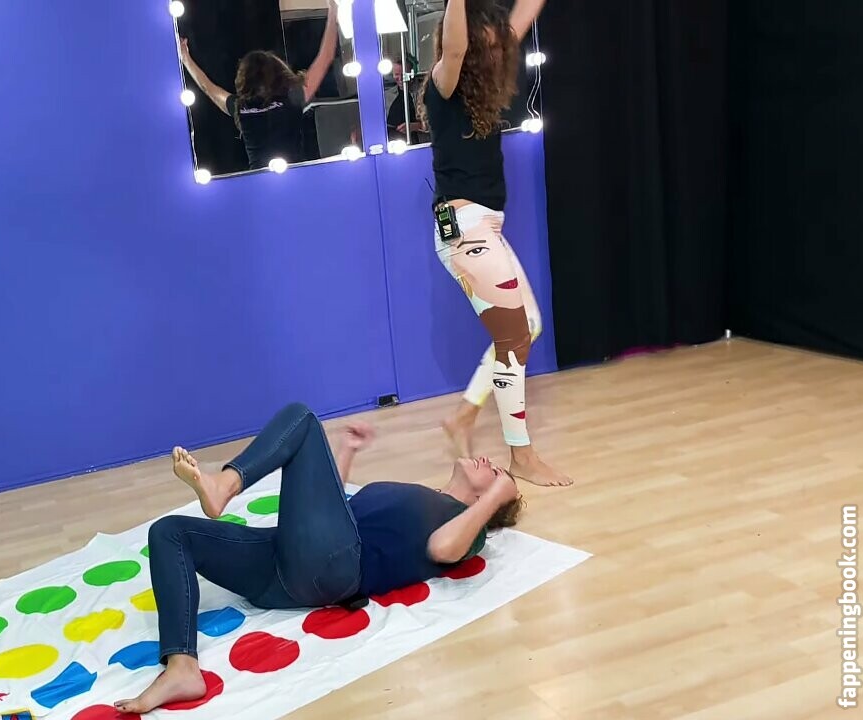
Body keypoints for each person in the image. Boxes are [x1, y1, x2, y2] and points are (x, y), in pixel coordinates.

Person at [114, 402, 522, 713]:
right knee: (169, 532)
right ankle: (183, 666)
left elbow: (443, 550)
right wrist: (346, 451)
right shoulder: (427, 497)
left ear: (487, 499)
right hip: (289, 568)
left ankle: (225, 485)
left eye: (495, 472)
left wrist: (496, 498)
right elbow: (331, 508)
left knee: (302, 419)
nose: (487, 461)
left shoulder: (466, 525)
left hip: (335, 569)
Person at [417, 0, 571, 487]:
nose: (497, 49)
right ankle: (520, 455)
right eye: (487, 42)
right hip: (464, 228)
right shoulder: (442, 85)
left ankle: (463, 417)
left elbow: (522, 17)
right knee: (513, 337)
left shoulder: (483, 86)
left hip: (483, 227)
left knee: (528, 325)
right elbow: (456, 48)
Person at [178, 2, 339, 170]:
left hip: (256, 181)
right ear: (279, 72)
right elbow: (326, 56)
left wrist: (186, 58)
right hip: (293, 177)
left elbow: (207, 87)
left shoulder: (240, 107)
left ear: (244, 79)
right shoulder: (293, 98)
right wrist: (333, 10)